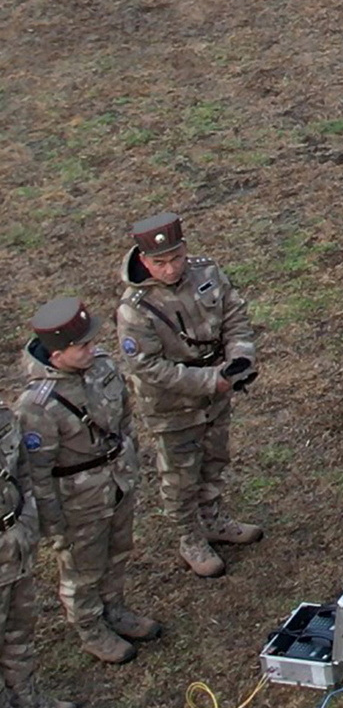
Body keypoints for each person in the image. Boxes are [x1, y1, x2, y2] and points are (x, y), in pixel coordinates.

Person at [14, 299, 161, 666]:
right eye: (82, 346)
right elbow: (38, 471)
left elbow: (124, 417)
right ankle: (90, 627)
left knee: (118, 549)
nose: (92, 348)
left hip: (116, 481)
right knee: (83, 569)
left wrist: (128, 460)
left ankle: (115, 608)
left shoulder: (102, 367)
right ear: (58, 355)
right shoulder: (37, 405)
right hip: (77, 499)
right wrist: (53, 522)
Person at [115, 212, 260, 579]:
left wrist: (241, 356)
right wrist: (213, 381)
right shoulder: (134, 310)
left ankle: (213, 520)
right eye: (160, 263)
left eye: (176, 258)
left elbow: (234, 316)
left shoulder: (207, 273)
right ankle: (189, 537)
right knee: (180, 475)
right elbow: (149, 368)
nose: (170, 269)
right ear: (144, 260)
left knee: (214, 458)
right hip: (172, 406)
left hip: (216, 391)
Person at [0, 421, 80, 708]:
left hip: (12, 540)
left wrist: (29, 517)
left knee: (20, 622)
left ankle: (24, 693)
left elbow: (21, 470)